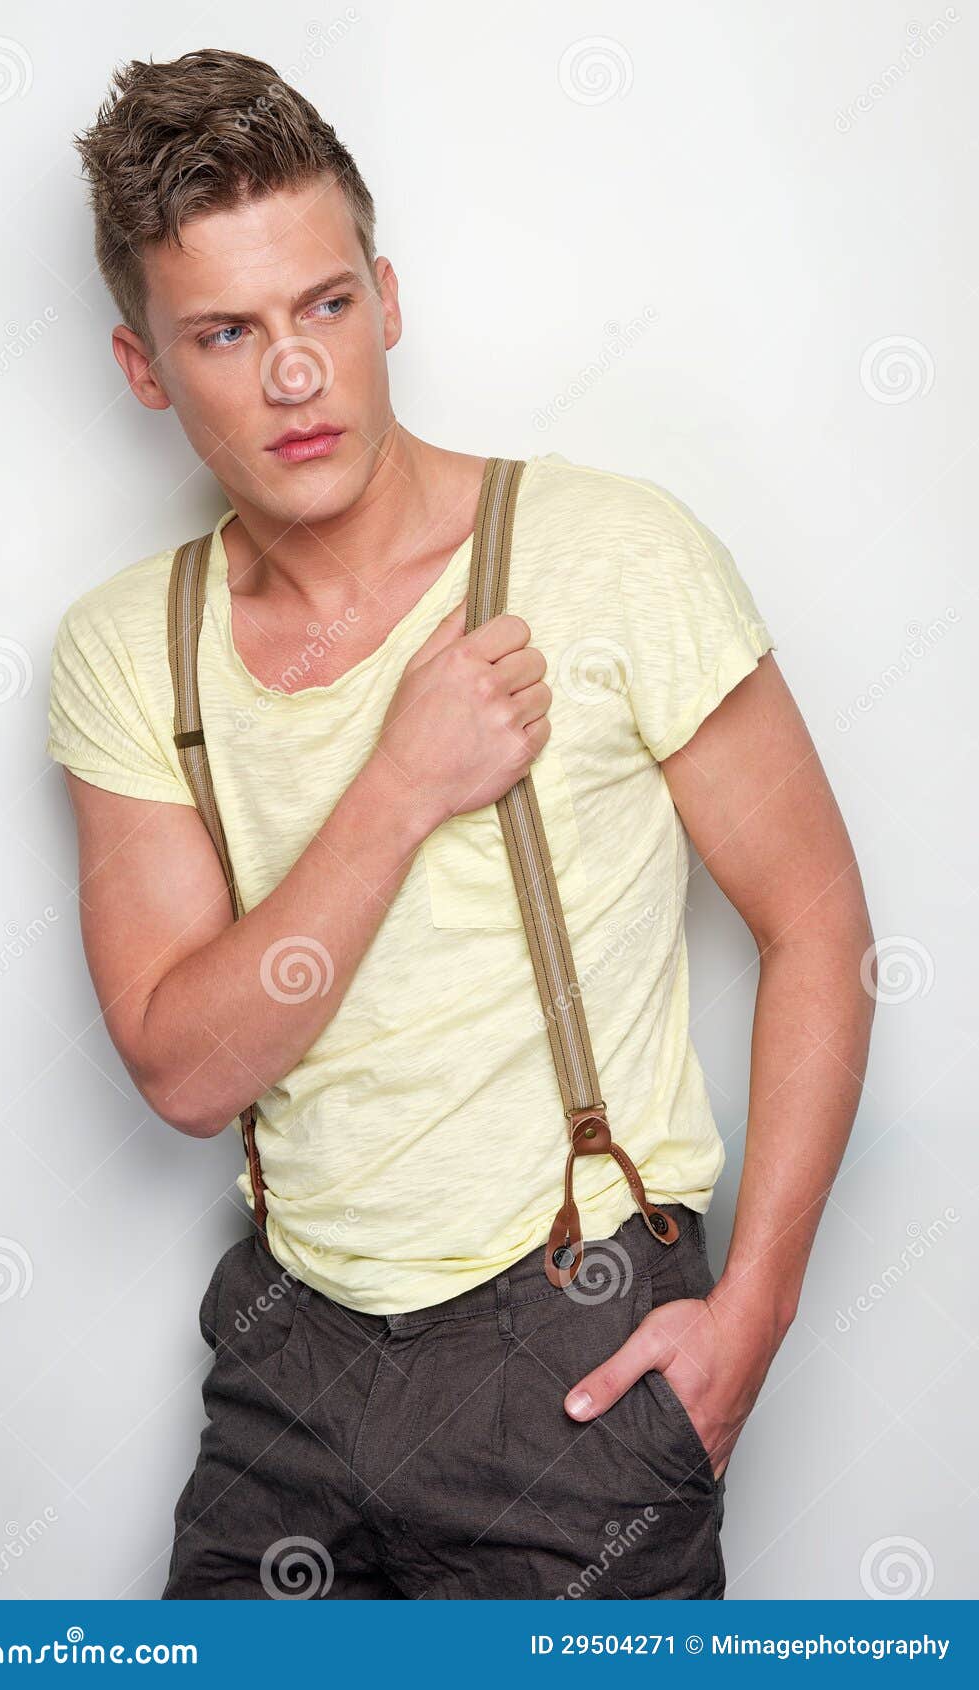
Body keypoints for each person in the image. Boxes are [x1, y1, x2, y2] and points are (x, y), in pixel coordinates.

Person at [45, 47, 875, 1600]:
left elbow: (815, 921)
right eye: (227, 332)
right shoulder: (127, 648)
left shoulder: (611, 550)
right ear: (144, 365)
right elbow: (182, 1061)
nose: (296, 377)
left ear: (389, 295)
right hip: (286, 1367)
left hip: (573, 1350)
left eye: (327, 306)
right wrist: (401, 780)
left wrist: (749, 1319)